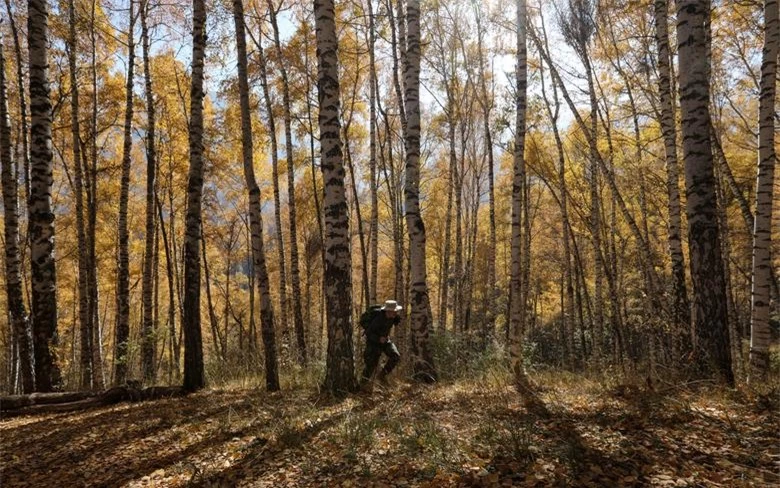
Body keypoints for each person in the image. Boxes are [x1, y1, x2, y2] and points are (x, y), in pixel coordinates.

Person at [361, 300, 402, 386]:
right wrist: (378, 339)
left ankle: (382, 376)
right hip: (373, 343)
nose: (396, 313)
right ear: (388, 311)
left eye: (396, 311)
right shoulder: (378, 319)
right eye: (394, 311)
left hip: (386, 341)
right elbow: (368, 333)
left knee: (395, 356)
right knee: (370, 366)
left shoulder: (393, 317)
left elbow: (396, 321)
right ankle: (362, 387)